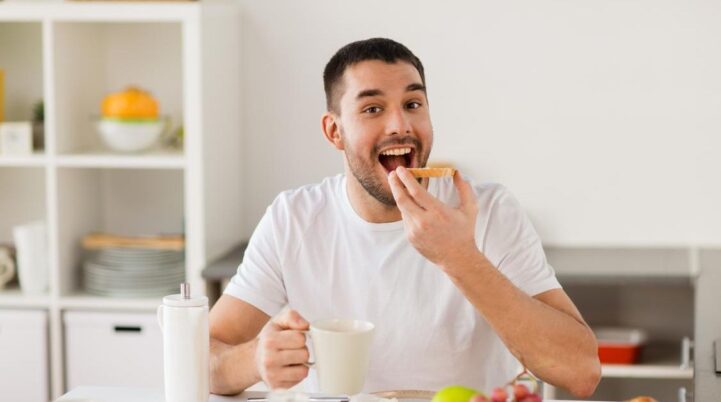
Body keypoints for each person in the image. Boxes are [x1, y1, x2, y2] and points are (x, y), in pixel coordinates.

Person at [209, 37, 601, 397]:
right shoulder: (292, 219)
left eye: (413, 104)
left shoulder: (491, 211)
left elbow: (580, 371)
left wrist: (459, 257)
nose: (400, 126)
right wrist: (254, 359)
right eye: (372, 109)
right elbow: (203, 358)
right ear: (334, 132)